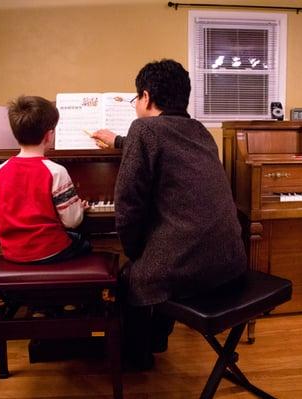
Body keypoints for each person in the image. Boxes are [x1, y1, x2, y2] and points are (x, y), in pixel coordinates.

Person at [98, 59, 247, 369]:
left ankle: (137, 357)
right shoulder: (198, 131)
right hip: (230, 260)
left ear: (146, 97)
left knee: (129, 276)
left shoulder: (143, 129)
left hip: (191, 267)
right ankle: (158, 338)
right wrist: (116, 140)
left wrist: (134, 252)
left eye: (136, 98)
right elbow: (164, 143)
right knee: (157, 258)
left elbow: (127, 205)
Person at [0, 95, 91, 264]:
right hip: (50, 250)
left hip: (12, 253)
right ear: (49, 136)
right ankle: (74, 289)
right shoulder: (56, 171)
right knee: (83, 242)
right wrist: (78, 208)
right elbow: (72, 221)